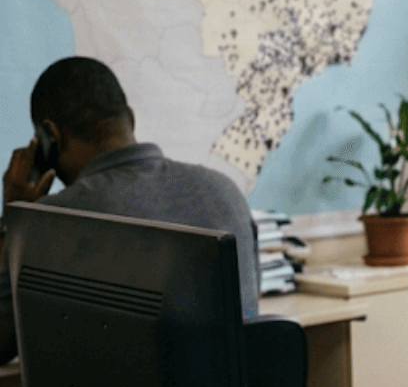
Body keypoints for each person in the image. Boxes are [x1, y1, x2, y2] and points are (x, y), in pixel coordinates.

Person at [0, 58, 259, 366]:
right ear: (131, 121)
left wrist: (13, 219)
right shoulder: (227, 193)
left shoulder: (53, 220)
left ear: (50, 138)